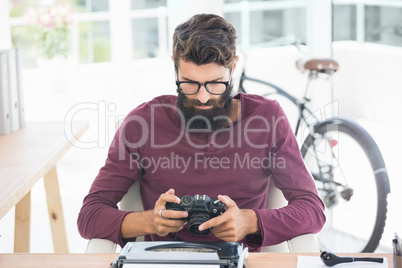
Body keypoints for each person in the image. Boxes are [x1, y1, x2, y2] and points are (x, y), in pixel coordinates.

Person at [77, 13, 325, 252]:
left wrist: (250, 222)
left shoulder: (267, 119)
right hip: (163, 260)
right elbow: (89, 216)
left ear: (233, 67)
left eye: (216, 83)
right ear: (175, 68)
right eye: (190, 83)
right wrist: (150, 222)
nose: (203, 97)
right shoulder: (141, 123)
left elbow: (312, 210)